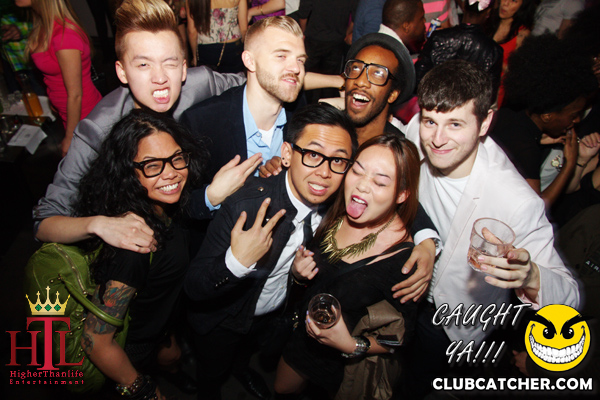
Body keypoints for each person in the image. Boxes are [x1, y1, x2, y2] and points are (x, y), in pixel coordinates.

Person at [403, 60, 580, 398]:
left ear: (484, 122)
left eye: (455, 124)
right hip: (404, 289)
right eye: (430, 121)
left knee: (418, 383)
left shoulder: (514, 199)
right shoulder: (417, 130)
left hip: (448, 322)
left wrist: (531, 276)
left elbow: (569, 299)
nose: (437, 139)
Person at [32, 0, 251, 251]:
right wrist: (99, 225)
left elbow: (256, 81)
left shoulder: (200, 84)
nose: (160, 78)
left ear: (183, 69)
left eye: (169, 62)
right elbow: (44, 221)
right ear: (122, 72)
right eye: (143, 64)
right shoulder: (98, 129)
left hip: (195, 228)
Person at [185, 103, 359, 400]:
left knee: (246, 354)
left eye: (338, 160)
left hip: (270, 314)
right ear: (287, 154)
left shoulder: (335, 208)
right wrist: (236, 262)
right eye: (313, 155)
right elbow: (193, 287)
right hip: (224, 319)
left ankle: (242, 369)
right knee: (212, 374)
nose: (324, 172)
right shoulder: (246, 205)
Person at [274, 134, 420, 398]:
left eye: (380, 182)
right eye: (357, 171)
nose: (361, 186)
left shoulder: (404, 261)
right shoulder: (335, 206)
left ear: (401, 194)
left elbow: (402, 336)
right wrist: (297, 274)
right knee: (282, 388)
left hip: (342, 364)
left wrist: (353, 345)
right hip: (301, 336)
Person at [77, 110, 204, 399]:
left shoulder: (167, 207)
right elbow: (96, 341)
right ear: (127, 173)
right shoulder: (132, 246)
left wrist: (166, 335)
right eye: (152, 165)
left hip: (160, 331)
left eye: (176, 158)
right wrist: (143, 389)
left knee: (171, 358)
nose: (171, 173)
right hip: (132, 348)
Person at [490, 34, 598, 210]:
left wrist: (538, 140)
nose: (577, 120)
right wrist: (569, 165)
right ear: (547, 116)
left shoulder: (508, 115)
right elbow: (535, 210)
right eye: (573, 115)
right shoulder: (527, 151)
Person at [15, 0, 102, 156]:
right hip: (67, 112)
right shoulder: (44, 25)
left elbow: (75, 94)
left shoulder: (64, 35)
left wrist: (70, 138)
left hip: (84, 114)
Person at [415, 0, 503, 99]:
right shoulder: (493, 51)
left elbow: (419, 77)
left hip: (433, 102)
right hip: (467, 107)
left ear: (463, 6)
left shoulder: (438, 38)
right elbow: (489, 95)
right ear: (488, 13)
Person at [485, 0, 536, 104]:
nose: (506, 3)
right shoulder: (489, 20)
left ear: (522, 6)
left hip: (495, 90)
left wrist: (493, 58)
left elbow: (516, 70)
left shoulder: (522, 33)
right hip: (476, 81)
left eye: (514, 1)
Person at [186, 0, 247, 73]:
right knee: (234, 79)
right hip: (232, 47)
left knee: (208, 79)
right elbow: (243, 29)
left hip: (205, 49)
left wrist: (194, 55)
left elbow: (192, 32)